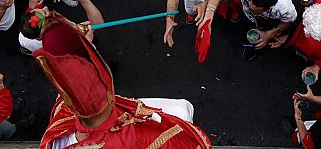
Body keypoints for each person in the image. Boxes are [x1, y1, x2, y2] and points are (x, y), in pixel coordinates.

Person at [36, 11, 212, 148]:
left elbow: (73, 81)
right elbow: (187, 141)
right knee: (181, 109)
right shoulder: (135, 138)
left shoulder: (58, 124)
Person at [201, 0, 298, 60]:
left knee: (258, 40)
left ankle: (254, 47)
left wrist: (268, 34)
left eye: (254, 10)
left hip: (268, 21)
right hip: (249, 18)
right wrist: (208, 17)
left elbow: (289, 20)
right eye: (248, 4)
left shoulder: (285, 7)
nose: (249, 9)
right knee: (246, 25)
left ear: (268, 9)